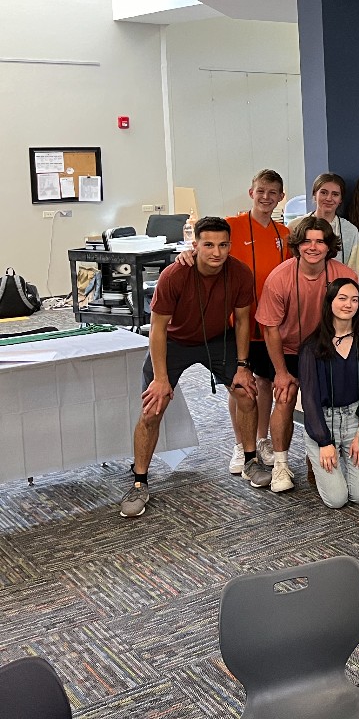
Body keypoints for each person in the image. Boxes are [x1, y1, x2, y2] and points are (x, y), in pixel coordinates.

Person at [120, 217, 258, 518]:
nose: (216, 252)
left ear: (230, 246)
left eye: (223, 245)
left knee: (245, 393)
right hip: (174, 342)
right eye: (208, 245)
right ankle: (140, 482)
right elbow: (157, 328)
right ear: (195, 245)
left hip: (217, 339)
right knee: (152, 408)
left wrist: (243, 366)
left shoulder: (240, 273)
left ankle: (250, 460)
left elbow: (244, 320)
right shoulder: (174, 275)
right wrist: (159, 378)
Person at [256, 216, 359, 493]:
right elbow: (270, 328)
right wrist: (280, 372)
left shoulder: (345, 276)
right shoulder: (279, 278)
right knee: (286, 396)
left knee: (327, 400)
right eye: (307, 241)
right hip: (288, 348)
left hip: (327, 348)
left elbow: (353, 321)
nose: (313, 247)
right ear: (297, 245)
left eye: (320, 241)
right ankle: (280, 464)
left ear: (329, 246)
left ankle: (316, 456)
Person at [225, 169, 290, 477]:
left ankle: (261, 439)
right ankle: (241, 445)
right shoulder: (231, 226)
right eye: (261, 191)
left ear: (281, 197)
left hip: (269, 323)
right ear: (251, 192)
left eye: (272, 192)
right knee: (240, 385)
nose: (266, 197)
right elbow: (202, 253)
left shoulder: (284, 234)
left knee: (263, 382)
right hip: (236, 320)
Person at [297, 278, 359, 509]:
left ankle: (342, 466)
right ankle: (317, 458)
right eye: (342, 298)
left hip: (356, 420)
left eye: (354, 300)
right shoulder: (311, 347)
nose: (349, 304)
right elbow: (309, 400)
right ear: (330, 302)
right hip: (323, 424)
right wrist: (324, 442)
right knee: (337, 500)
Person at [298, 172, 359, 274]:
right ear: (315, 194)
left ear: (340, 199)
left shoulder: (351, 231)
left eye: (335, 194)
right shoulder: (295, 226)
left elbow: (355, 270)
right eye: (324, 192)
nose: (329, 198)